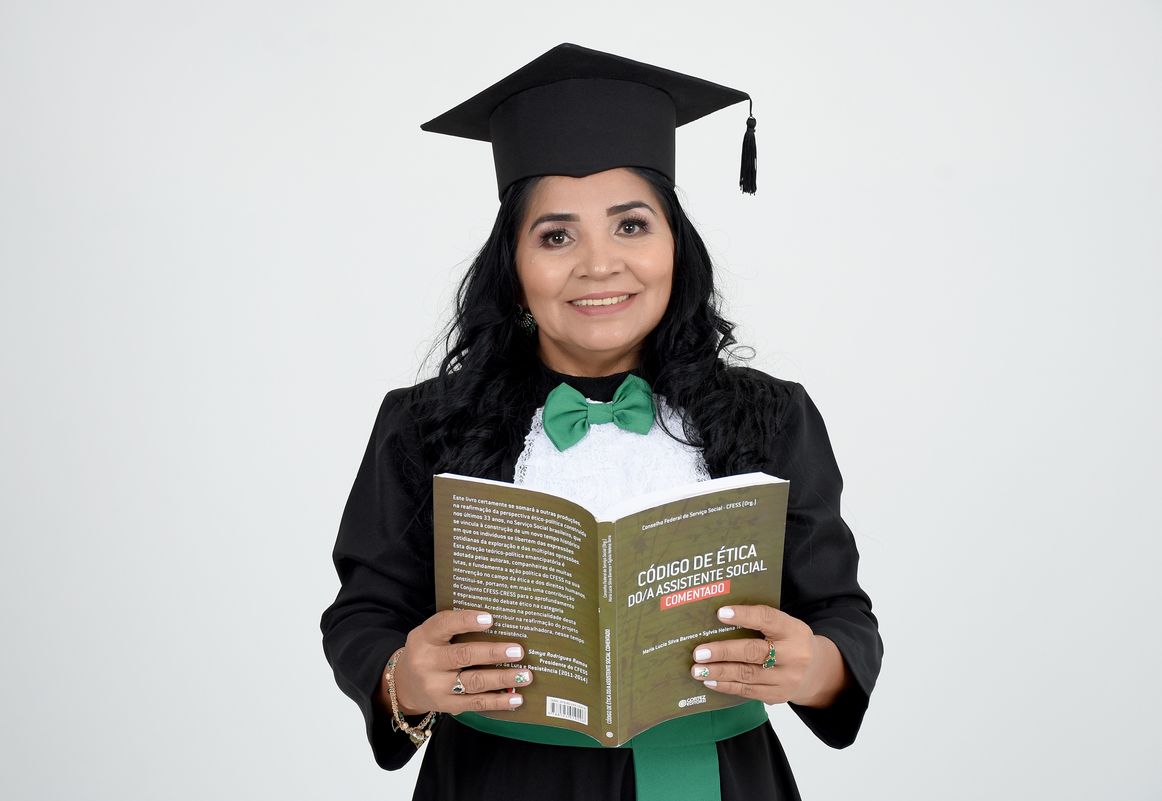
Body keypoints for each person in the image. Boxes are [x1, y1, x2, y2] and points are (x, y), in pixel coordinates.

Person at [321, 43, 881, 801]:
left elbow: (840, 612)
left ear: (675, 246)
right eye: (556, 236)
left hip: (710, 777)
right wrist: (404, 679)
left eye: (631, 226)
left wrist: (816, 667)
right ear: (513, 267)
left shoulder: (772, 418)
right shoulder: (425, 425)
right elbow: (365, 614)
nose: (598, 265)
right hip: (496, 779)